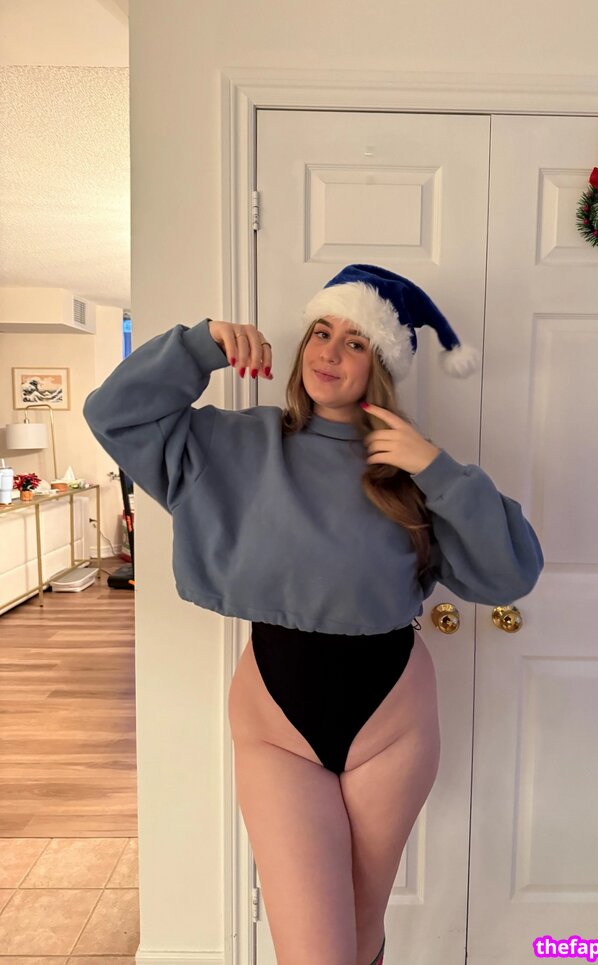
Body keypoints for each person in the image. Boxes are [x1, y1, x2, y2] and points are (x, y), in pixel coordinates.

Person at [83, 264, 544, 965]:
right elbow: (112, 415)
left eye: (356, 341)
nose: (330, 351)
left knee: (358, 931)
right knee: (316, 950)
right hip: (278, 723)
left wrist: (437, 470)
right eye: (322, 332)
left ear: (379, 364)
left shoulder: (410, 467)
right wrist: (201, 346)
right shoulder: (235, 445)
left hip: (393, 722)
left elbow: (509, 574)